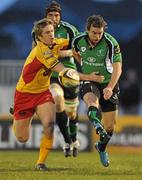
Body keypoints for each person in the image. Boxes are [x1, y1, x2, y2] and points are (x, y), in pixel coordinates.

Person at [12, 18, 73, 171]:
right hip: (24, 95)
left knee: (49, 125)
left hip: (42, 93)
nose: (51, 35)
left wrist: (82, 45)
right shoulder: (41, 50)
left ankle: (40, 163)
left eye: (52, 31)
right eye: (47, 32)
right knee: (22, 138)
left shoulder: (54, 42)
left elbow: (73, 44)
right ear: (39, 37)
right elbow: (58, 67)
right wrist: (78, 75)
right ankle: (19, 114)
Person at [72, 15, 122, 167]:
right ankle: (96, 123)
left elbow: (118, 67)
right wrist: (86, 70)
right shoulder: (78, 40)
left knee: (110, 127)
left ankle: (101, 147)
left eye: (100, 33)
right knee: (91, 100)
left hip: (108, 83)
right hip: (90, 80)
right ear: (87, 30)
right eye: (94, 32)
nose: (97, 36)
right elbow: (75, 53)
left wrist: (109, 87)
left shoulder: (110, 42)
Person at [42, 1, 80, 157]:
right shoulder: (39, 30)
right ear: (46, 16)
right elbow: (35, 50)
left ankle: (74, 138)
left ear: (60, 16)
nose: (53, 18)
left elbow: (78, 50)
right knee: (58, 102)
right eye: (50, 15)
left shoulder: (70, 30)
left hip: (69, 75)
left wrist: (62, 54)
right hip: (52, 76)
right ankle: (67, 141)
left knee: (71, 114)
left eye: (56, 15)